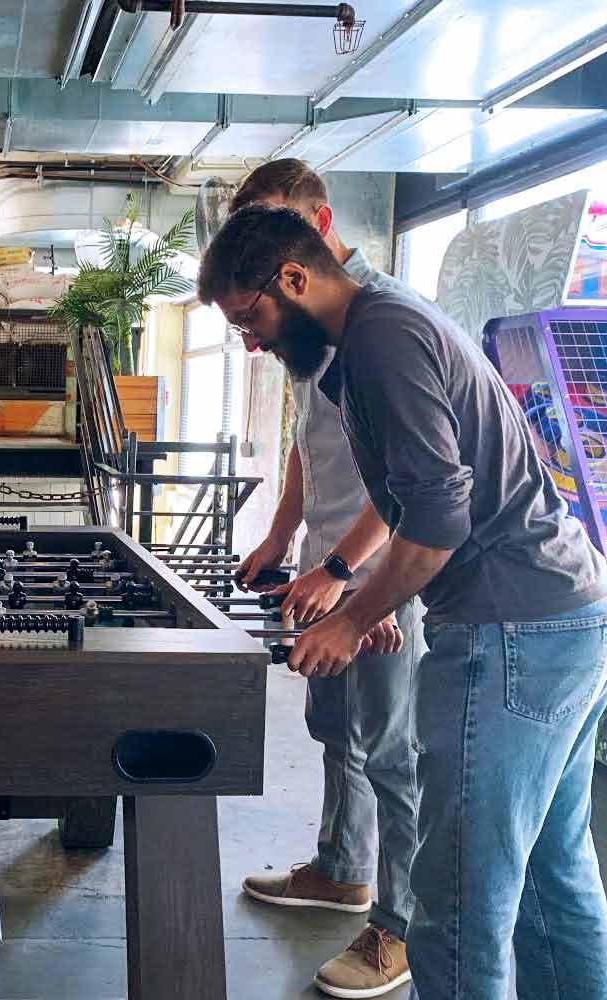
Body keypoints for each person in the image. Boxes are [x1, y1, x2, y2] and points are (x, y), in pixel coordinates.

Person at [200, 203, 607, 1000]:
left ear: (293, 277)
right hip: (567, 614)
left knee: (460, 889)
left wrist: (354, 616)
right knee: (548, 869)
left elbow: (439, 514)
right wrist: (375, 596)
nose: (250, 341)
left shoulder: (378, 341)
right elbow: (413, 500)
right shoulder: (377, 332)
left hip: (514, 632)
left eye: (248, 317)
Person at [221, 160, 423, 998]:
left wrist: (359, 582)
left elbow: (415, 481)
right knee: (337, 729)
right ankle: (342, 871)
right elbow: (310, 445)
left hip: (379, 574)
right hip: (328, 564)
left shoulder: (378, 323)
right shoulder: (306, 329)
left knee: (393, 753)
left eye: (277, 232)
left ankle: (400, 929)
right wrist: (278, 535)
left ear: (320, 221)